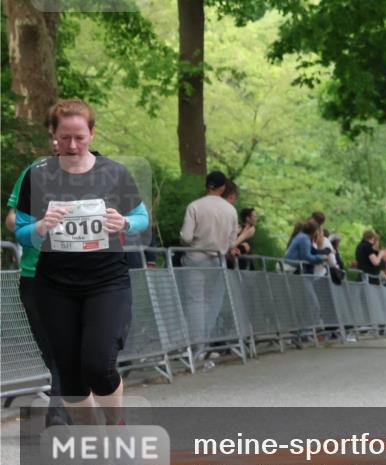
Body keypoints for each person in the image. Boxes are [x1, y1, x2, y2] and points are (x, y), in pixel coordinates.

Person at [14, 98, 149, 425]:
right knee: (70, 377)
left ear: (92, 134)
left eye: (79, 137)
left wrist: (125, 223)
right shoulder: (38, 174)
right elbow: (20, 230)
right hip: (55, 285)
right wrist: (41, 227)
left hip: (106, 281)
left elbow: (141, 218)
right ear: (52, 135)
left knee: (99, 365)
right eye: (64, 138)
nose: (71, 145)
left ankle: (116, 424)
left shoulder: (115, 173)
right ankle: (94, 441)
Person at [7, 132, 71, 426]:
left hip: (83, 275)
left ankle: (61, 414)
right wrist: (40, 223)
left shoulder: (101, 174)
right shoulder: (36, 172)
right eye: (56, 136)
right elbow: (12, 219)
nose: (61, 143)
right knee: (53, 349)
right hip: (37, 272)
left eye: (71, 136)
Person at [179, 170, 239, 348]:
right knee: (209, 302)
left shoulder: (195, 206)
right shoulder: (231, 211)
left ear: (207, 185)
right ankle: (206, 341)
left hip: (195, 258)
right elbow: (231, 241)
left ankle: (197, 344)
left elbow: (186, 237)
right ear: (222, 188)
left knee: (195, 300)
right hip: (217, 260)